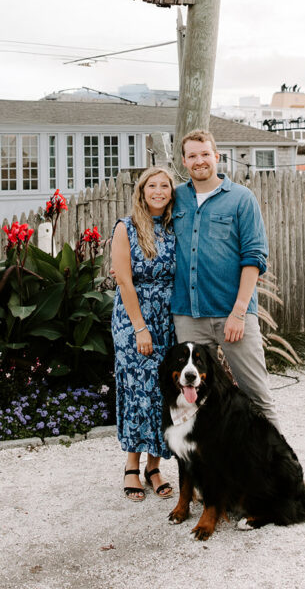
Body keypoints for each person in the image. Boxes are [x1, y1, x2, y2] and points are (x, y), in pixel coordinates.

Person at [171, 129, 281, 431]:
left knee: (255, 395)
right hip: (188, 316)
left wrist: (238, 312)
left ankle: (278, 473)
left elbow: (255, 258)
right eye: (192, 155)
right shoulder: (176, 198)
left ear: (216, 156)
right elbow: (146, 227)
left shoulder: (241, 199)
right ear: (183, 161)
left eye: (205, 153)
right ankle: (209, 473)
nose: (199, 160)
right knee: (193, 401)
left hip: (232, 314)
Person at [111, 166, 176, 500]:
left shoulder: (173, 226)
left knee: (163, 393)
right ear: (142, 191)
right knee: (137, 389)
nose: (159, 190)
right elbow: (123, 279)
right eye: (153, 185)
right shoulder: (127, 227)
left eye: (165, 185)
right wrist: (140, 328)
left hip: (168, 318)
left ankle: (155, 466)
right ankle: (131, 466)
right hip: (134, 318)